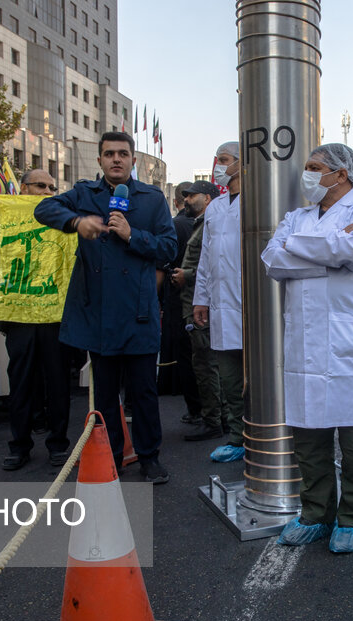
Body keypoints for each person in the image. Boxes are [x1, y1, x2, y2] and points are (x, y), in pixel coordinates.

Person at [35, 131, 177, 482]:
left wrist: (132, 235)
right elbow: (43, 208)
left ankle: (149, 458)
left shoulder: (152, 199)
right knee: (105, 395)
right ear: (99, 160)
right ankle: (111, 457)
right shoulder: (84, 194)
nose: (116, 159)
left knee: (144, 393)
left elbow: (169, 248)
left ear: (133, 160)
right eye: (110, 153)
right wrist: (76, 222)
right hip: (98, 313)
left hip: (139, 312)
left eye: (123, 154)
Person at [262, 143, 353, 553]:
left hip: (350, 342)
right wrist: (330, 254)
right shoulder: (297, 217)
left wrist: (299, 247)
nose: (306, 174)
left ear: (341, 174)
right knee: (308, 438)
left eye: (314, 167)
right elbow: (273, 261)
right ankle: (316, 514)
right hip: (305, 342)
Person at [0, 169, 73, 471]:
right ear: (23, 188)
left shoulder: (62, 217)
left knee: (58, 383)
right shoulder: (5, 213)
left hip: (54, 317)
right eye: (40, 185)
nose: (46, 191)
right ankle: (19, 445)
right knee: (20, 383)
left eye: (51, 187)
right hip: (20, 317)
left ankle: (58, 445)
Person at [193, 142, 247, 462]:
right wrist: (201, 299)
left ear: (242, 163)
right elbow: (206, 257)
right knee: (229, 379)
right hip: (222, 305)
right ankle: (238, 438)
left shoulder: (259, 200)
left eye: (224, 160)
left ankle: (266, 437)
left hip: (251, 304)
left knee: (260, 380)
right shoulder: (215, 207)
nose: (218, 166)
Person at [172, 180, 226, 442]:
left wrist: (187, 274)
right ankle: (218, 418)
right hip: (194, 302)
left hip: (201, 304)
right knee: (204, 363)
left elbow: (216, 263)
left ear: (208, 198)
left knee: (205, 365)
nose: (187, 199)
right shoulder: (200, 224)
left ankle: (214, 420)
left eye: (192, 195)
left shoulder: (212, 224)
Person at [158, 181, 201, 422]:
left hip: (181, 298)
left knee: (188, 355)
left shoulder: (176, 226)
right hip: (197, 298)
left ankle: (197, 409)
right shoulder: (194, 225)